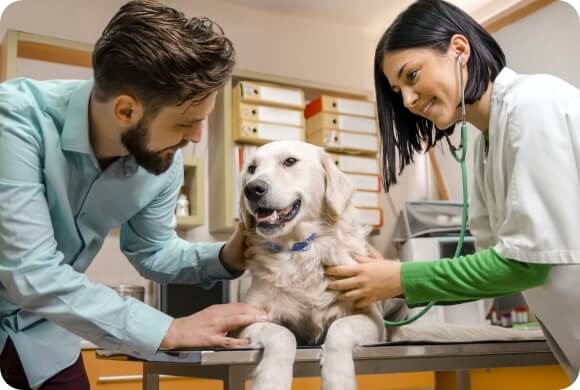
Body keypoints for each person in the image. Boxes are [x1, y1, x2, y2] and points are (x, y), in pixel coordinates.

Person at [0, 1, 268, 388]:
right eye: (185, 123)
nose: (195, 138)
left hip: (42, 331)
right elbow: (32, 272)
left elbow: (153, 251)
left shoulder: (163, 162)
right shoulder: (14, 121)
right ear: (126, 110)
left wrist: (227, 256)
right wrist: (167, 330)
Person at [326, 0, 580, 382]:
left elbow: (525, 264)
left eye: (411, 76)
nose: (408, 101)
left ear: (459, 50)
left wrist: (399, 278)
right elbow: (492, 268)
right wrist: (389, 285)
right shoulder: (485, 144)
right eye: (398, 91)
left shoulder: (533, 104)